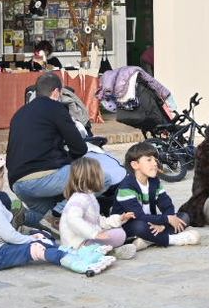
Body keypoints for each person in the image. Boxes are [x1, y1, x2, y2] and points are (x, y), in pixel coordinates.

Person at [7, 72, 124, 231]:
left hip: (18, 185)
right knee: (102, 179)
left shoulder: (19, 114)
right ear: (56, 92)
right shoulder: (55, 107)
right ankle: (58, 213)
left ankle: (24, 216)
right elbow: (79, 148)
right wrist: (68, 160)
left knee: (54, 221)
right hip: (44, 179)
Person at [0, 156, 111, 274]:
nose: (3, 179)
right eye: (0, 176)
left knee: (41, 235)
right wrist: (30, 239)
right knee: (36, 247)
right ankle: (72, 261)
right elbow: (9, 235)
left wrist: (33, 236)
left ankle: (68, 251)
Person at [113, 142, 199, 247]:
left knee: (184, 216)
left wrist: (163, 223)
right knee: (139, 226)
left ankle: (148, 241)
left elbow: (167, 206)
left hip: (152, 222)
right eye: (149, 160)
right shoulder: (126, 187)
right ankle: (172, 239)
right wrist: (166, 220)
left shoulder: (154, 182)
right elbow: (139, 216)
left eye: (155, 160)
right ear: (135, 165)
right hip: (131, 225)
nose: (154, 163)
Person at [58, 156, 137, 257]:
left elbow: (98, 221)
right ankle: (96, 251)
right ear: (92, 177)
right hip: (77, 244)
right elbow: (73, 220)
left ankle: (104, 251)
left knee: (119, 232)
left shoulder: (89, 196)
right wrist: (94, 234)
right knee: (118, 234)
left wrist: (119, 219)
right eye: (100, 172)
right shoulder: (79, 198)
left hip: (86, 239)